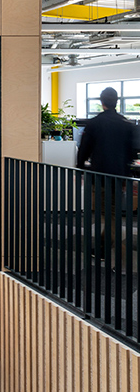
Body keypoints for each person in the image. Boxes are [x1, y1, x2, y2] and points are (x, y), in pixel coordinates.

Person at [77, 87, 138, 263]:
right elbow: (133, 152)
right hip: (120, 176)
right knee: (112, 211)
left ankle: (103, 247)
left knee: (103, 212)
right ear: (117, 101)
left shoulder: (94, 123)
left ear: (101, 102)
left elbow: (84, 150)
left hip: (100, 174)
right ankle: (107, 242)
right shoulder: (127, 123)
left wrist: (80, 169)